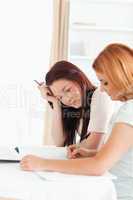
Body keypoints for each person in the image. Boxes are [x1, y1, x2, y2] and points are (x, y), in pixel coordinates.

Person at [20, 43, 133, 200]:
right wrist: (93, 153)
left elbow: (98, 166)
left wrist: (43, 163)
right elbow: (123, 156)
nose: (102, 88)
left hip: (119, 193)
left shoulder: (127, 111)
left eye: (105, 82)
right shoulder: (127, 109)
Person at [38, 61, 113, 154]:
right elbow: (59, 142)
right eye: (60, 97)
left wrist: (74, 149)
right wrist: (55, 102)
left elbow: (93, 146)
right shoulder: (74, 110)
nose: (67, 99)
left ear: (79, 78)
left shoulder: (100, 95)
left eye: (68, 90)